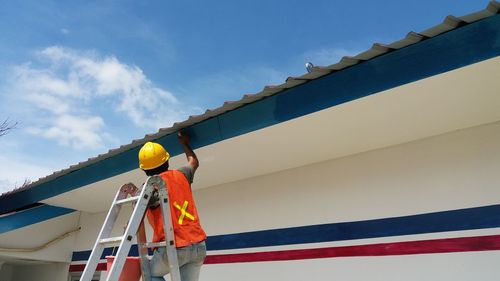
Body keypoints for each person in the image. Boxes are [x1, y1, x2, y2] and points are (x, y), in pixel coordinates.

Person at [138, 132, 207, 281]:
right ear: (167, 160)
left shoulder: (149, 187)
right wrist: (184, 143)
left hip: (172, 248)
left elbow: (138, 217)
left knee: (149, 273)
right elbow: (193, 161)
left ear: (144, 170)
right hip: (198, 246)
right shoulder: (182, 174)